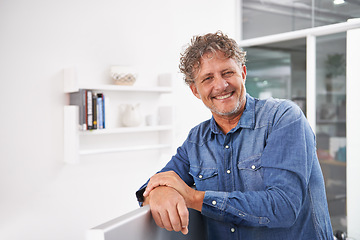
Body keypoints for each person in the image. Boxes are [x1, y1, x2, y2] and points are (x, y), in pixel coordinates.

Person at [136, 31, 333, 239]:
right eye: (208, 78)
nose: (220, 85)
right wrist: (159, 190)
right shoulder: (196, 140)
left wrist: (194, 197)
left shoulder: (283, 118)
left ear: (243, 72)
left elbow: (283, 207)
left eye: (227, 72)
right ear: (195, 90)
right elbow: (155, 183)